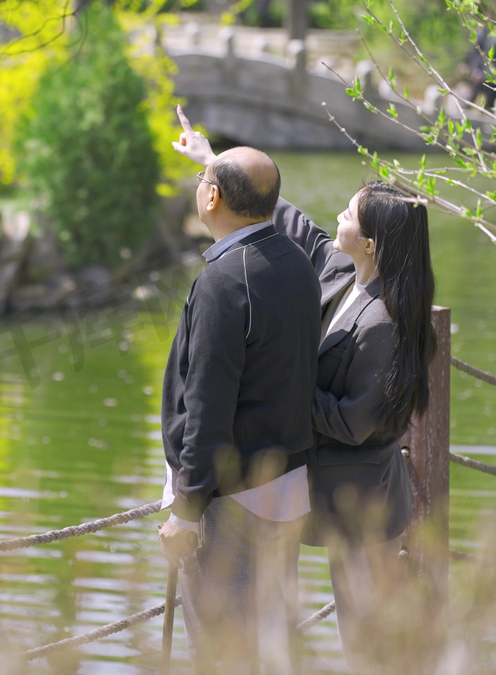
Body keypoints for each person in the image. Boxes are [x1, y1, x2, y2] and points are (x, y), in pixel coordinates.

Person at [172, 106, 437, 670]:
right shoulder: (340, 272)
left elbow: (354, 421)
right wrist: (211, 159)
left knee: (368, 641)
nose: (335, 217)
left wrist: (278, 388)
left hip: (360, 503)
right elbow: (276, 218)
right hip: (315, 489)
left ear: (370, 242)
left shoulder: (386, 321)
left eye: (348, 213)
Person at [157, 124, 322, 674]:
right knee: (269, 645)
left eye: (205, 178)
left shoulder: (225, 282)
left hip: (234, 503)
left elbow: (208, 404)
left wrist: (186, 509)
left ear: (211, 198)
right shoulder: (297, 263)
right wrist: (208, 159)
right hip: (286, 488)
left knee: (222, 650)